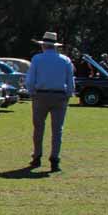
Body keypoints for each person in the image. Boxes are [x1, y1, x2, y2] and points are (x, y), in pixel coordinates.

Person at [24, 30, 74, 172]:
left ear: (43, 46)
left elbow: (30, 80)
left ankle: (37, 156)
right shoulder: (65, 60)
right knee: (57, 130)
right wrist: (68, 94)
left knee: (38, 128)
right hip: (60, 96)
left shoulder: (37, 59)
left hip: (41, 95)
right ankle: (54, 159)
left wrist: (32, 93)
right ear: (56, 46)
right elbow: (70, 81)